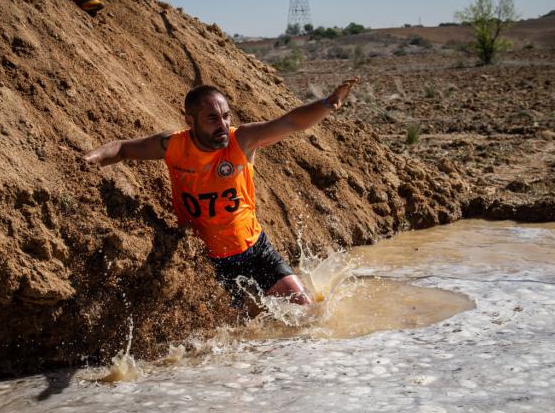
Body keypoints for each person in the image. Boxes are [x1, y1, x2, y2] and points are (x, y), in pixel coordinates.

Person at [84, 77, 359, 306]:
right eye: (212, 119)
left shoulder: (241, 141)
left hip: (255, 249)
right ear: (190, 121)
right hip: (210, 262)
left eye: (226, 116)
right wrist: (89, 161)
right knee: (241, 335)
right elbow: (121, 148)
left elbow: (289, 123)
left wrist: (327, 104)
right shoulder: (173, 146)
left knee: (307, 311)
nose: (222, 125)